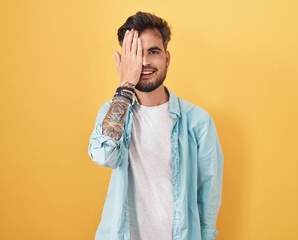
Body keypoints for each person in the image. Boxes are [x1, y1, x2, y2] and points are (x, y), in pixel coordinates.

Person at [88, 11, 223, 240]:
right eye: (136, 53)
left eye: (153, 52)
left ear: (167, 59)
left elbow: (208, 196)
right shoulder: (112, 112)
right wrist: (126, 85)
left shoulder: (198, 123)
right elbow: (103, 156)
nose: (144, 62)